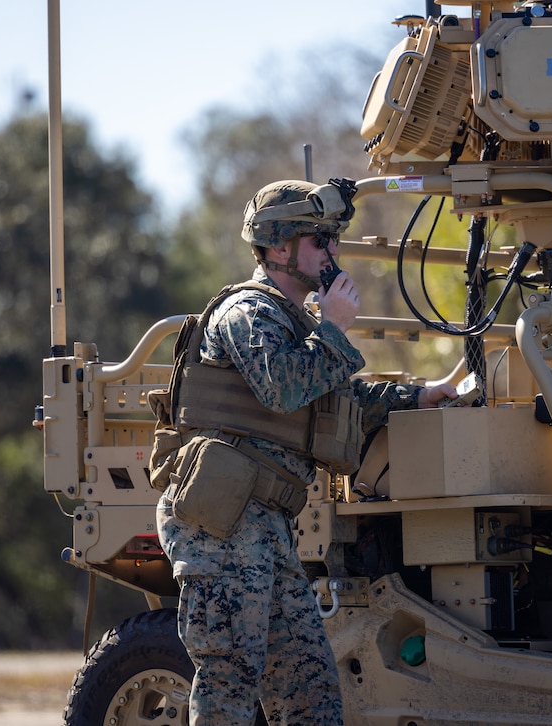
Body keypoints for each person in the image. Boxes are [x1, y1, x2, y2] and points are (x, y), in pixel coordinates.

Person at [156, 178, 457, 725]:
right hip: (223, 524)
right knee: (228, 685)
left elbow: (337, 402)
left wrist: (421, 395)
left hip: (266, 527)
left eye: (332, 240)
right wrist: (335, 329)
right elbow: (284, 387)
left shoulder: (298, 325)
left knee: (311, 693)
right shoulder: (248, 312)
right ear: (277, 249)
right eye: (319, 240)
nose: (332, 253)